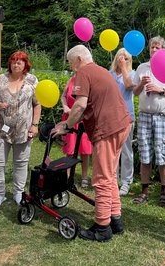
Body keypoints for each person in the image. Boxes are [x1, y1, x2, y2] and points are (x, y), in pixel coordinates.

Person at [52, 45, 132, 242]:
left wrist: (66, 126)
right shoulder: (101, 70)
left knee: (102, 179)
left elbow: (79, 105)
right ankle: (115, 219)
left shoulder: (84, 72)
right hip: (122, 124)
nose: (72, 68)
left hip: (108, 128)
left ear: (79, 59)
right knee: (111, 175)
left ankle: (102, 227)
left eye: (71, 64)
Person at [0, 50, 41, 208]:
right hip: (1, 129)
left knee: (21, 163)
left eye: (20, 61)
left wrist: (35, 125)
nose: (16, 64)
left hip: (23, 130)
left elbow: (37, 103)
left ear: (25, 64)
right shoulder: (1, 79)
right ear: (9, 63)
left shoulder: (32, 80)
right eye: (13, 61)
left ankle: (18, 192)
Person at [132, 36, 165, 207]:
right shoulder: (142, 67)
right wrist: (141, 84)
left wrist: (161, 89)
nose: (154, 50)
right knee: (145, 154)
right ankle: (144, 192)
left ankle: (164, 193)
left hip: (161, 115)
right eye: (152, 47)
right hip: (145, 115)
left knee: (162, 155)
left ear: (163, 49)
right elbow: (135, 92)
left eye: (157, 47)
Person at [109, 48, 136, 196]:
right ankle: (113, 179)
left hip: (126, 116)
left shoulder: (132, 73)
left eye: (126, 58)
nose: (122, 59)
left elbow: (128, 86)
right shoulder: (110, 74)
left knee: (126, 150)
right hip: (112, 117)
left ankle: (126, 182)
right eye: (121, 56)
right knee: (112, 150)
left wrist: (125, 68)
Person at [60, 75, 92, 188]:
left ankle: (84, 177)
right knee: (70, 149)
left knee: (85, 150)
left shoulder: (89, 80)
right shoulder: (71, 79)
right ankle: (67, 176)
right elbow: (63, 96)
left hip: (83, 120)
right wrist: (65, 107)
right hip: (69, 118)